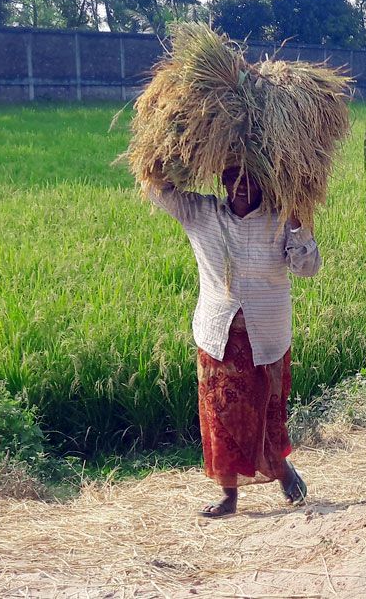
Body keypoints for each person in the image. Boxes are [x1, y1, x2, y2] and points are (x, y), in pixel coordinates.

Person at [145, 166, 321, 518]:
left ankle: (284, 473)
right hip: (218, 335)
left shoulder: (280, 217)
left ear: (264, 182)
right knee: (221, 418)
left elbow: (308, 268)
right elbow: (158, 190)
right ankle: (229, 495)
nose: (239, 189)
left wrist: (300, 221)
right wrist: (162, 160)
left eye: (249, 181)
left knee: (267, 414)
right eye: (232, 180)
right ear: (222, 182)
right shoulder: (201, 213)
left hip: (267, 335)